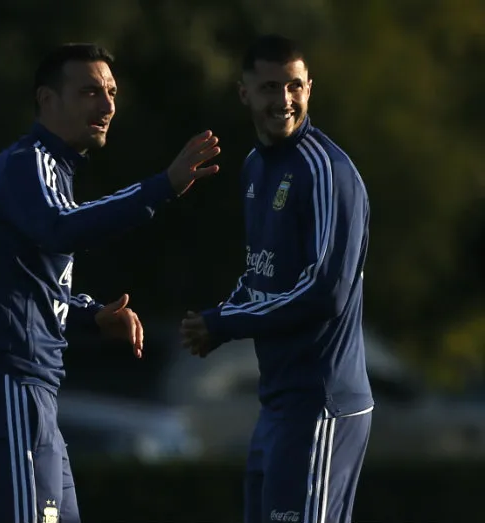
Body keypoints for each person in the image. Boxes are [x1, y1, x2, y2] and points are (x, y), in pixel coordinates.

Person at [0, 42, 220, 523]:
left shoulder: (51, 172)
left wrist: (90, 315)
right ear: (47, 100)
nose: (108, 105)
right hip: (5, 385)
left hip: (33, 390)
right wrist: (162, 186)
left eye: (111, 92)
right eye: (91, 91)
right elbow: (63, 227)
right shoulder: (26, 163)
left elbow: (29, 285)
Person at [179, 34, 374, 523]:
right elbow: (261, 275)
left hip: (322, 400)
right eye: (269, 88)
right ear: (244, 92)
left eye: (293, 86)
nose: (283, 101)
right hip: (279, 402)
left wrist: (225, 323)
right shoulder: (253, 168)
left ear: (309, 88)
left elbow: (325, 290)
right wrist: (218, 320)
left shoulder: (327, 171)